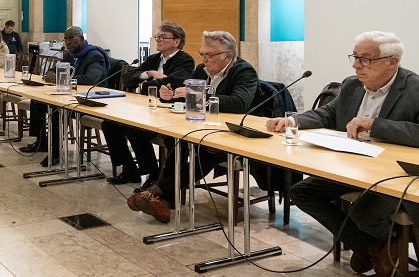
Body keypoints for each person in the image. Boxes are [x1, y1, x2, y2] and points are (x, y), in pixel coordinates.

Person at [265, 31, 419, 277]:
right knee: (303, 192)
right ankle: (374, 247)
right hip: (355, 166)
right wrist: (292, 121)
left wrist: (376, 126)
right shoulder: (352, 85)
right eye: (355, 57)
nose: (356, 65)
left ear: (391, 62)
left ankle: (373, 247)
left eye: (365, 59)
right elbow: (327, 114)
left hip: (395, 175)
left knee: (366, 211)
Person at [130, 30, 258, 223]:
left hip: (233, 134)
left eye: (210, 55)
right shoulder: (201, 70)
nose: (205, 59)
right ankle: (164, 200)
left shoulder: (243, 71)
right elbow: (188, 97)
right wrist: (168, 95)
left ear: (228, 56)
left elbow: (240, 103)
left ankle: (157, 192)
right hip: (205, 126)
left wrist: (197, 95)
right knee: (176, 140)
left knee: (207, 152)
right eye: (202, 54)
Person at [102, 22, 195, 185]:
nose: (158, 40)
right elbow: (127, 78)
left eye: (163, 37)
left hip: (169, 113)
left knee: (136, 131)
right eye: (157, 36)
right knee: (110, 125)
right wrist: (148, 73)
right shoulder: (153, 59)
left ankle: (153, 175)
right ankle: (130, 170)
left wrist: (142, 84)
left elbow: (171, 84)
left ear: (176, 41)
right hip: (146, 108)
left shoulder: (185, 60)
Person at [18, 26, 109, 166]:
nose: (68, 42)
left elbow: (91, 79)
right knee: (37, 102)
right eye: (65, 39)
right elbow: (58, 68)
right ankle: (41, 142)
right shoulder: (69, 54)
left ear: (82, 39)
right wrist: (50, 72)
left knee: (56, 109)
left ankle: (55, 153)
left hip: (89, 99)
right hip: (70, 95)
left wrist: (61, 78)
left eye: (71, 38)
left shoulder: (94, 55)